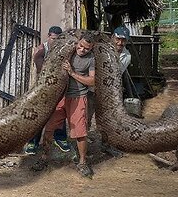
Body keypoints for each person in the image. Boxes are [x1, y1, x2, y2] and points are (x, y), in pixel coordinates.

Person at [35, 32, 96, 178]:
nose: (82, 50)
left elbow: (92, 81)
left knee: (80, 133)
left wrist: (72, 73)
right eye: (80, 46)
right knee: (49, 129)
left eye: (86, 49)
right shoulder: (68, 51)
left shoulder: (90, 59)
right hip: (60, 97)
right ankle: (44, 159)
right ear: (77, 42)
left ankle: (82, 162)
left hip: (78, 97)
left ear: (91, 48)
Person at [24, 26, 70, 155]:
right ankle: (33, 142)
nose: (55, 42)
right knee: (39, 115)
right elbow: (43, 71)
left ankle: (60, 138)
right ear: (49, 36)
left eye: (58, 39)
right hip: (43, 85)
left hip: (59, 85)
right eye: (53, 38)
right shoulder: (41, 51)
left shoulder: (64, 48)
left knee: (60, 112)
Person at [87, 26, 132, 158]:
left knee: (109, 120)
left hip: (108, 94)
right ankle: (83, 146)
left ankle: (106, 146)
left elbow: (115, 74)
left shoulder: (126, 56)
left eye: (123, 40)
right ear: (113, 37)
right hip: (92, 89)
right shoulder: (99, 48)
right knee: (86, 118)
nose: (120, 43)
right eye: (118, 39)